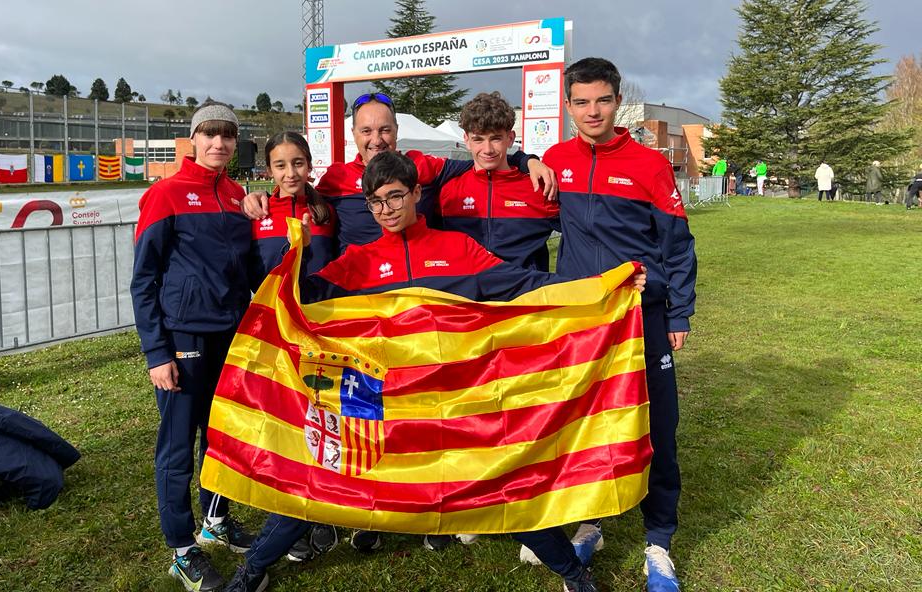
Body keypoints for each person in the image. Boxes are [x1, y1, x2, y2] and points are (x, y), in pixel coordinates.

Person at [222, 151, 646, 592]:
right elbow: (299, 298)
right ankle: (253, 570)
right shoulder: (358, 263)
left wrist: (606, 284)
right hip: (381, 410)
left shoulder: (456, 249)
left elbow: (523, 283)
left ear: (418, 193)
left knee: (502, 481)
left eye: (395, 197)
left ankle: (574, 576)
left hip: (452, 406)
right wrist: (299, 250)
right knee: (321, 479)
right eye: (375, 202)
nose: (386, 210)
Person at [542, 58, 696, 592]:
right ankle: (592, 523)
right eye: (581, 102)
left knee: (658, 428)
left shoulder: (649, 164)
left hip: (643, 320)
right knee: (585, 425)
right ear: (568, 107)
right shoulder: (555, 160)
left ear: (616, 101)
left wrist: (677, 310)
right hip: (584, 322)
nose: (592, 111)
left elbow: (678, 245)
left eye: (602, 100)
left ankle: (658, 542)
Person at [131, 102, 257, 592]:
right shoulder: (166, 194)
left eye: (227, 136)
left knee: (222, 438)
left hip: (229, 335)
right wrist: (156, 353)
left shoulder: (235, 194)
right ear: (193, 139)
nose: (219, 144)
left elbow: (247, 269)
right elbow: (143, 280)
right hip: (183, 337)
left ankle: (216, 520)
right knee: (178, 446)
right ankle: (183, 550)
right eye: (209, 134)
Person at [245, 92, 557, 255]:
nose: (376, 139)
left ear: (396, 130)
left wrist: (528, 160)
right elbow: (299, 197)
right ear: (353, 133)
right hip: (358, 291)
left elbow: (485, 160)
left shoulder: (423, 166)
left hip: (417, 288)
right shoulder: (335, 180)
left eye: (384, 130)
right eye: (366, 130)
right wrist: (261, 196)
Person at [248, 131, 340, 564]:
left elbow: (337, 266)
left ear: (309, 164)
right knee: (284, 423)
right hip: (277, 335)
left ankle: (322, 511)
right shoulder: (256, 211)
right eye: (281, 165)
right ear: (269, 170)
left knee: (322, 419)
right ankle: (288, 511)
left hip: (321, 334)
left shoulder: (325, 210)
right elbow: (250, 271)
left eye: (298, 163)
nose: (291, 173)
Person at [438, 91, 560, 270]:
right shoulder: (447, 191)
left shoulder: (538, 187)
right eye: (478, 139)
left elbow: (581, 235)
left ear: (510, 138)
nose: (487, 149)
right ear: (466, 140)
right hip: (467, 296)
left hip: (525, 295)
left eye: (495, 139)